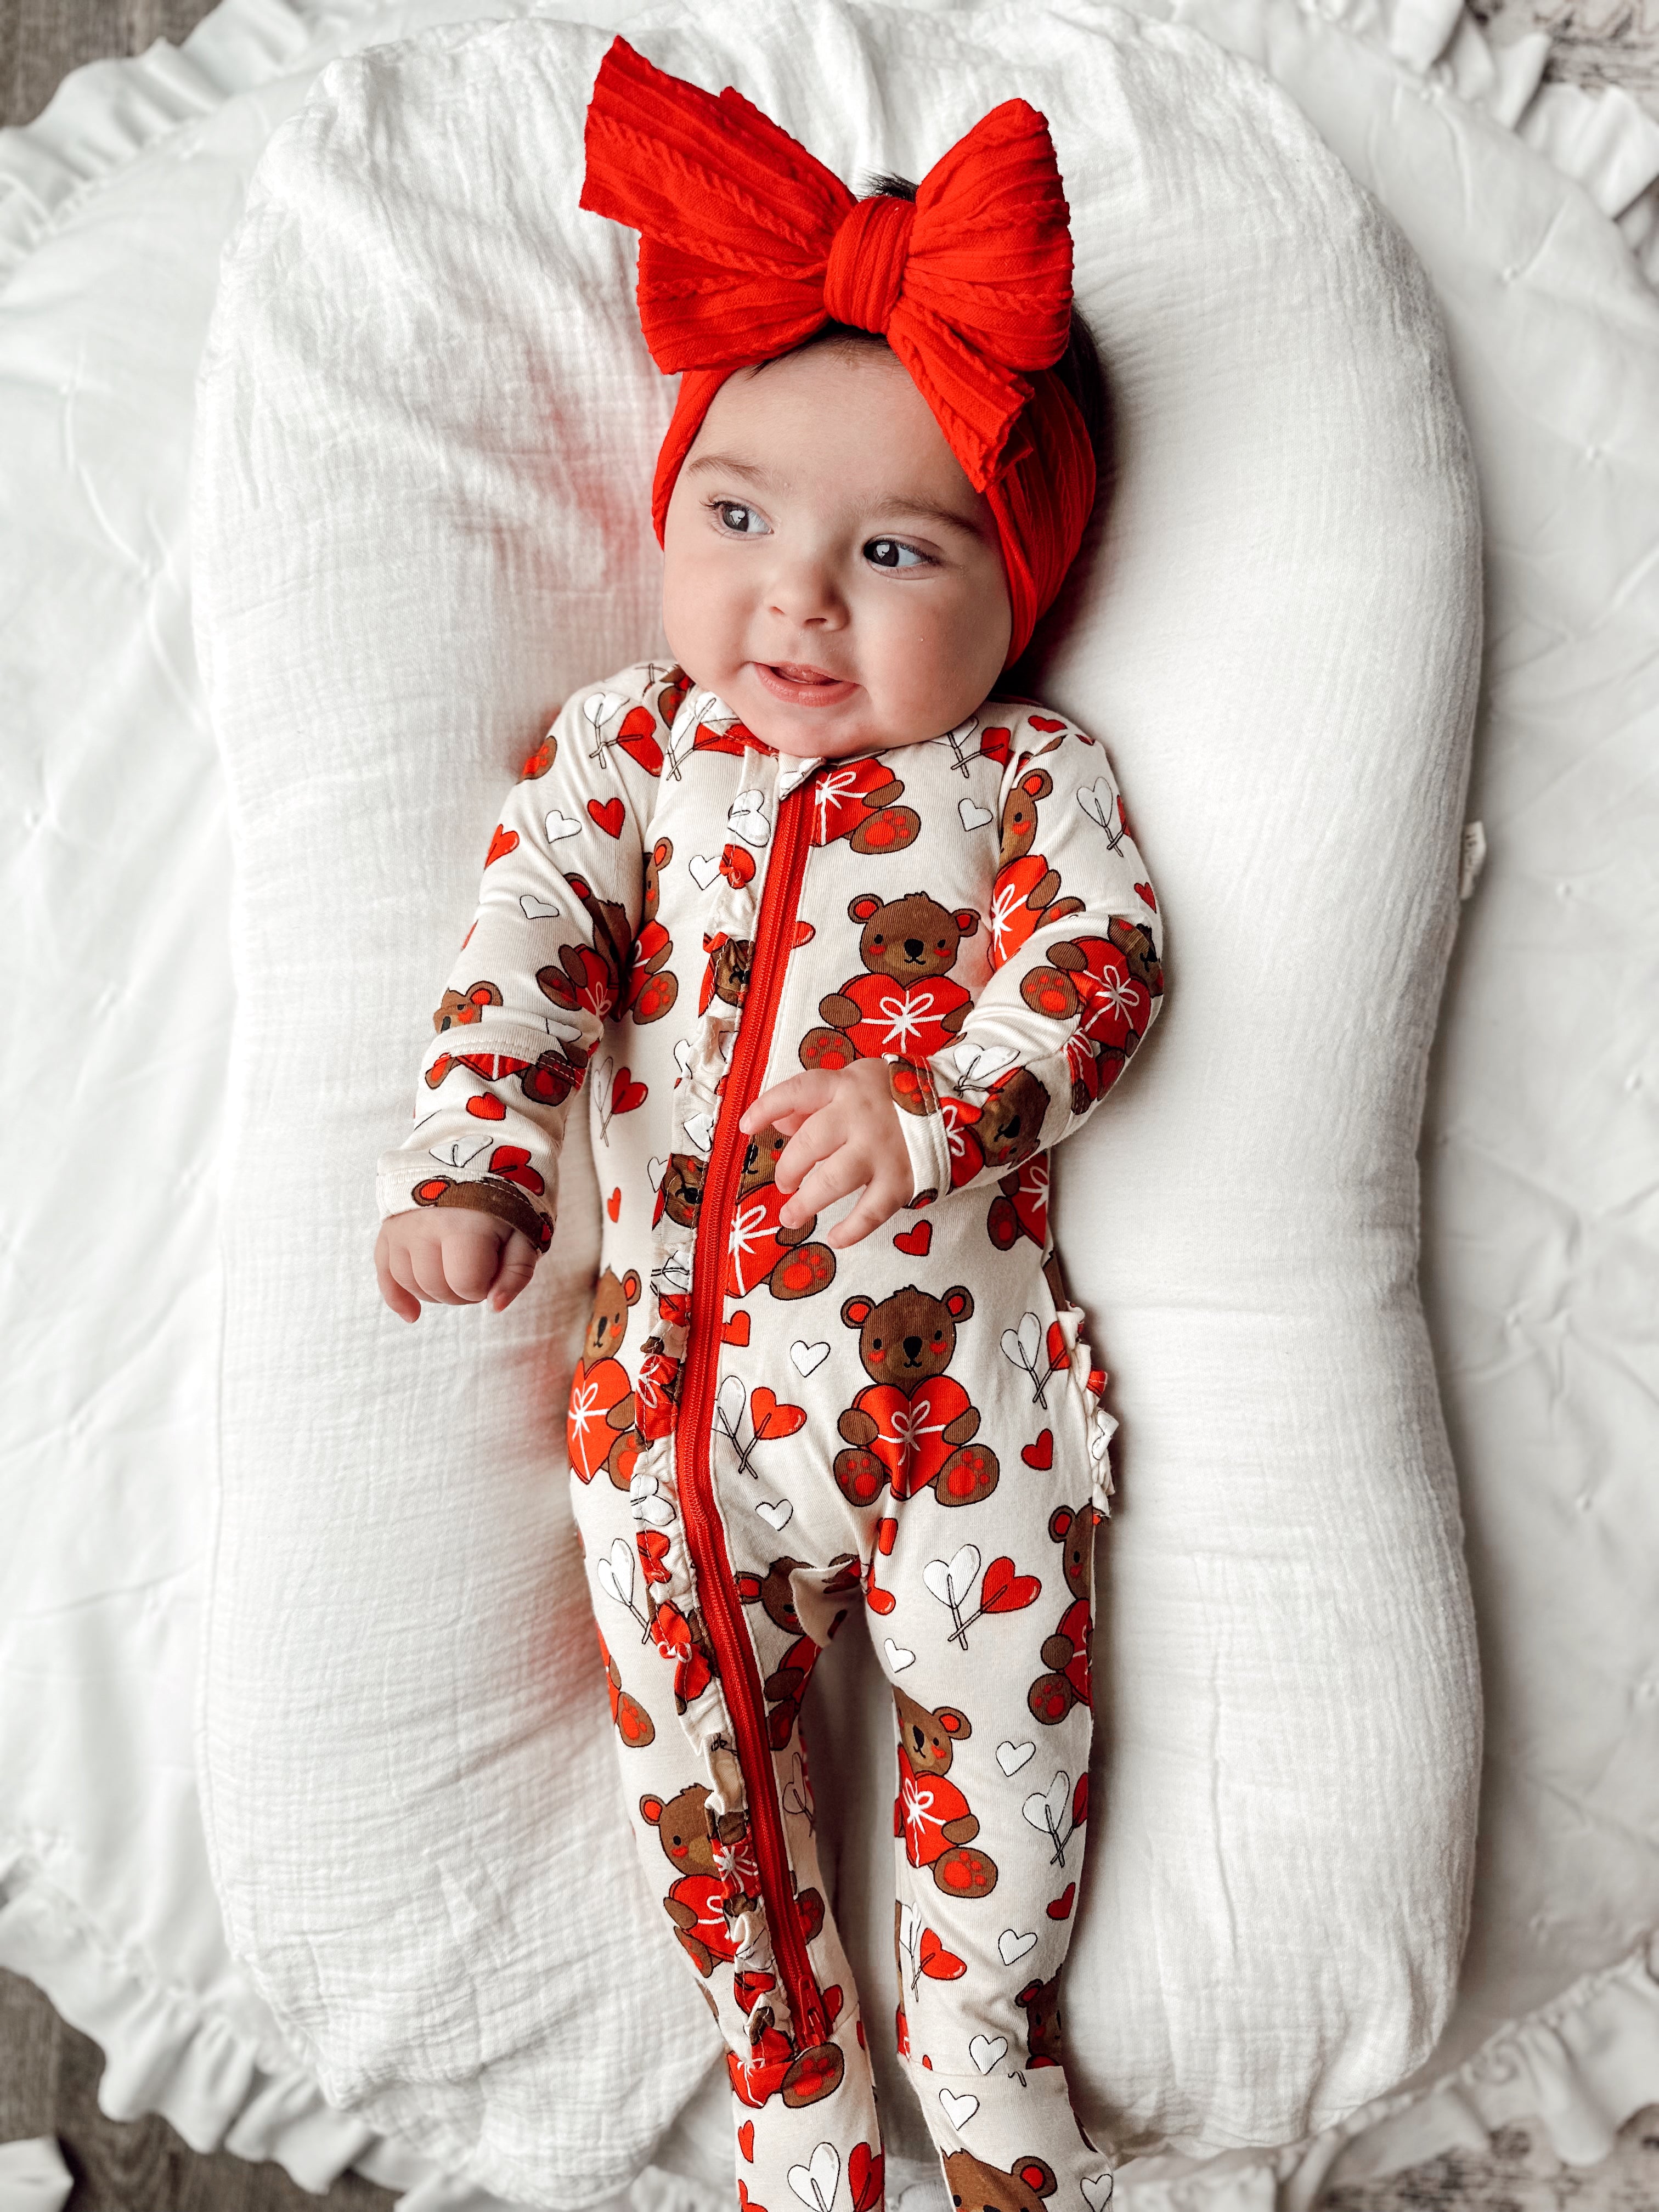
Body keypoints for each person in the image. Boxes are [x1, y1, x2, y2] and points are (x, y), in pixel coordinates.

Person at [373, 36, 1163, 2212]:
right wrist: (475, 1151)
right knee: (696, 1750)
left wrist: (940, 1109)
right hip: (675, 1399)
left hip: (962, 1407)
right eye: (740, 520)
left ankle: (980, 2035)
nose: (799, 599)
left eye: (895, 549)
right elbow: (527, 926)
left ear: (1020, 595)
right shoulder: (638, 747)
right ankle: (790, 2066)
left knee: (1009, 1722)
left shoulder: (1024, 780)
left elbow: (1102, 967)